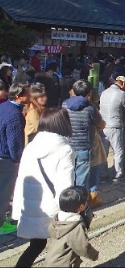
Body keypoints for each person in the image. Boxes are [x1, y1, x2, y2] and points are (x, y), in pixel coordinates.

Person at [12, 108, 75, 267]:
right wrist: (69, 214)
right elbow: (65, 186)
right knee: (61, 248)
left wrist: (19, 208)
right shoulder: (64, 149)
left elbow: (21, 178)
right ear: (63, 123)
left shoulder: (31, 147)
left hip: (34, 206)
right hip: (54, 210)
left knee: (36, 245)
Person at [0, 83, 30, 234]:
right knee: (4, 192)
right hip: (5, 158)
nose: (30, 97)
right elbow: (15, 142)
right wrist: (17, 159)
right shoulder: (15, 115)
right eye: (27, 95)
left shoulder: (3, 106)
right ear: (18, 97)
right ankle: (1, 223)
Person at [44, 187, 99, 267]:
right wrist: (94, 255)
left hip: (51, 261)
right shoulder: (75, 227)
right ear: (81, 207)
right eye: (86, 202)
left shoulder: (57, 221)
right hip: (65, 264)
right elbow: (83, 247)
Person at [62, 80, 101, 191]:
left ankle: (70, 199)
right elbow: (99, 123)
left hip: (67, 145)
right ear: (89, 93)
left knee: (68, 175)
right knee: (81, 178)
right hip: (84, 146)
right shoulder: (90, 108)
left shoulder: (64, 104)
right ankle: (80, 203)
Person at [100, 76, 125, 182]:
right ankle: (118, 173)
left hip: (103, 125)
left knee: (104, 152)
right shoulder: (121, 94)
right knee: (118, 150)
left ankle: (103, 174)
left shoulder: (104, 92)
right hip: (115, 125)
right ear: (122, 84)